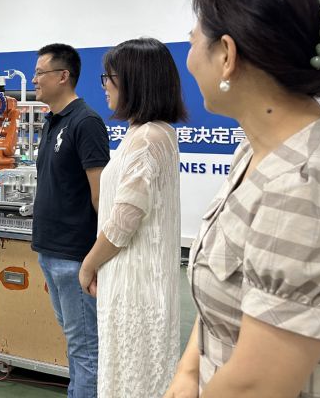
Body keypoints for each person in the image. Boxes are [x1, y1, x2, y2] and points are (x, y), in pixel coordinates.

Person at [164, 0, 320, 398]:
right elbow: (227, 295)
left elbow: (256, 386)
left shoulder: (311, 185)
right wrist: (187, 374)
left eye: (193, 41)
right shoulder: (257, 152)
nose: (189, 59)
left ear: (226, 55)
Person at [78, 38, 186, 398]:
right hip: (134, 282)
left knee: (133, 382)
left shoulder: (148, 138)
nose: (104, 86)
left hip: (136, 287)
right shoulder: (149, 133)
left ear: (135, 81)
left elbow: (124, 220)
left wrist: (88, 265)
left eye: (109, 77)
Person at [31, 43, 110, 398]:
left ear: (63, 76)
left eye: (40, 73)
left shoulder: (85, 122)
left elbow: (101, 196)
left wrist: (96, 258)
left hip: (75, 254)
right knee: (76, 342)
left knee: (86, 349)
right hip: (51, 252)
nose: (34, 80)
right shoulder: (52, 121)